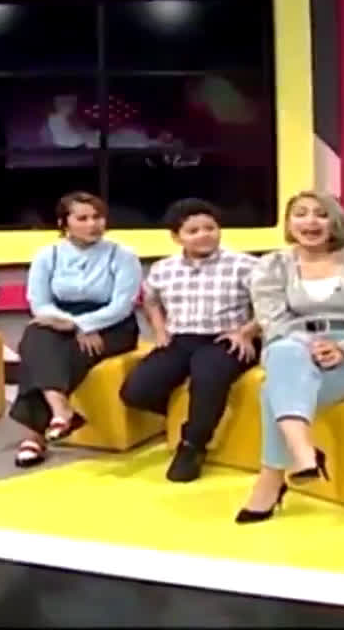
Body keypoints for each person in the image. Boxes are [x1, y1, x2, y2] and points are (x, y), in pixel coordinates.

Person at [235, 191, 344, 523]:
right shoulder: (273, 265)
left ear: (335, 220)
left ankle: (273, 478)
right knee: (284, 351)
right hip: (296, 348)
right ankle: (304, 455)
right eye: (301, 213)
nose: (310, 221)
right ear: (289, 222)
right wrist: (308, 345)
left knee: (273, 391)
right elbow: (272, 321)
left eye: (320, 214)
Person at [119, 198, 259, 482]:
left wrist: (247, 331)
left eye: (210, 228)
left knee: (207, 375)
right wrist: (160, 331)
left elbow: (272, 304)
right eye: (193, 231)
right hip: (181, 338)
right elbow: (151, 301)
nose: (204, 235)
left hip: (228, 338)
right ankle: (187, 415)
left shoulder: (245, 264)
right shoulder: (163, 269)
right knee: (136, 390)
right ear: (176, 236)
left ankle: (193, 444)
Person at [9, 191, 143, 468]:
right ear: (64, 223)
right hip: (58, 318)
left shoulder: (123, 255)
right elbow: (39, 303)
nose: (93, 224)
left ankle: (35, 436)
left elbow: (122, 305)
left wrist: (83, 325)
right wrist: (69, 323)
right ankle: (61, 411)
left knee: (52, 355)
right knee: (35, 338)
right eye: (82, 218)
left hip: (112, 325)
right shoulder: (48, 255)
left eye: (97, 217)